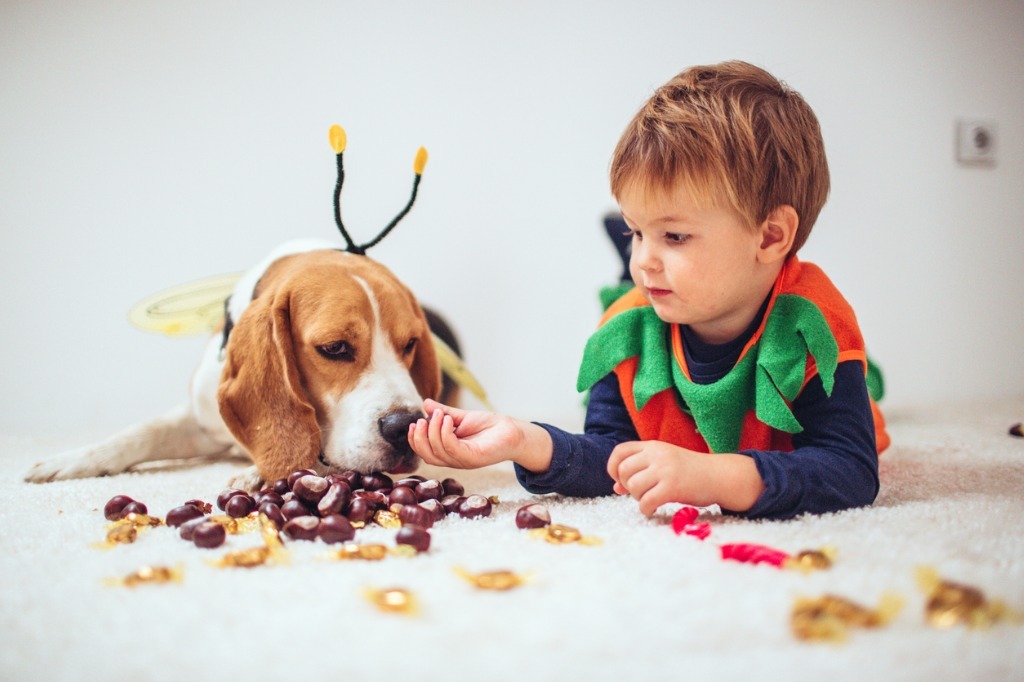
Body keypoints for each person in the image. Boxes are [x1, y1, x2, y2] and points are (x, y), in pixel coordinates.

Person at [408, 61, 889, 521]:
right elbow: (614, 458)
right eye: (635, 233)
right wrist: (522, 439)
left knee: (863, 413)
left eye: (674, 236)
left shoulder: (814, 327)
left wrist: (715, 476)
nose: (644, 261)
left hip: (809, 384)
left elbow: (849, 472)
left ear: (770, 237)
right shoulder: (626, 328)